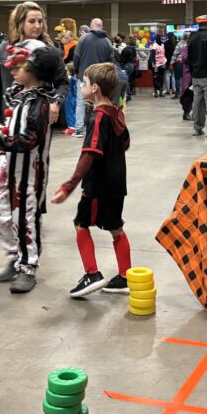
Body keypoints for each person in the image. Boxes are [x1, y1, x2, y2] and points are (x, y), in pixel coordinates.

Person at [0, 41, 65, 294]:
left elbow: (30, 139)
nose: (13, 71)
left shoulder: (39, 102)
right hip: (12, 169)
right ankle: (16, 254)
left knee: (26, 218)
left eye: (20, 66)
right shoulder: (20, 94)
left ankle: (28, 266)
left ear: (36, 70)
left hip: (31, 174)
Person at [52, 62, 132, 298]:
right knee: (116, 227)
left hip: (99, 186)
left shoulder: (98, 117)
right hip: (118, 184)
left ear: (95, 88)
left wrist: (69, 185)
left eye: (84, 82)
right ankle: (125, 277)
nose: (81, 85)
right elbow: (125, 143)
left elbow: (90, 153)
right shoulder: (116, 112)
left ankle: (92, 274)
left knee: (81, 224)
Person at [0, 1, 67, 135]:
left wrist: (56, 102)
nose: (37, 26)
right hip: (7, 118)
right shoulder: (3, 49)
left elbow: (62, 82)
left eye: (40, 21)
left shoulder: (50, 51)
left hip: (38, 117)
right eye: (32, 21)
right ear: (20, 23)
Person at [72, 18, 115, 137]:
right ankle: (98, 128)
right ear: (101, 26)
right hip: (100, 78)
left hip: (84, 76)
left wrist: (76, 71)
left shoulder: (83, 39)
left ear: (91, 26)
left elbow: (76, 57)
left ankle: (79, 130)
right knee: (98, 102)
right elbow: (111, 62)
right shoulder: (107, 42)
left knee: (80, 102)